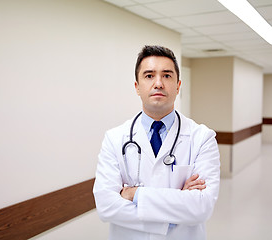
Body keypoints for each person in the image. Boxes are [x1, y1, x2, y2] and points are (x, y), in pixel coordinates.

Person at [93, 45, 220, 240]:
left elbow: (201, 207)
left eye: (167, 76)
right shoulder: (115, 138)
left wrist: (133, 194)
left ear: (178, 86)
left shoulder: (202, 137)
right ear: (137, 87)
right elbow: (106, 206)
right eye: (149, 75)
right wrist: (174, 211)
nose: (158, 83)